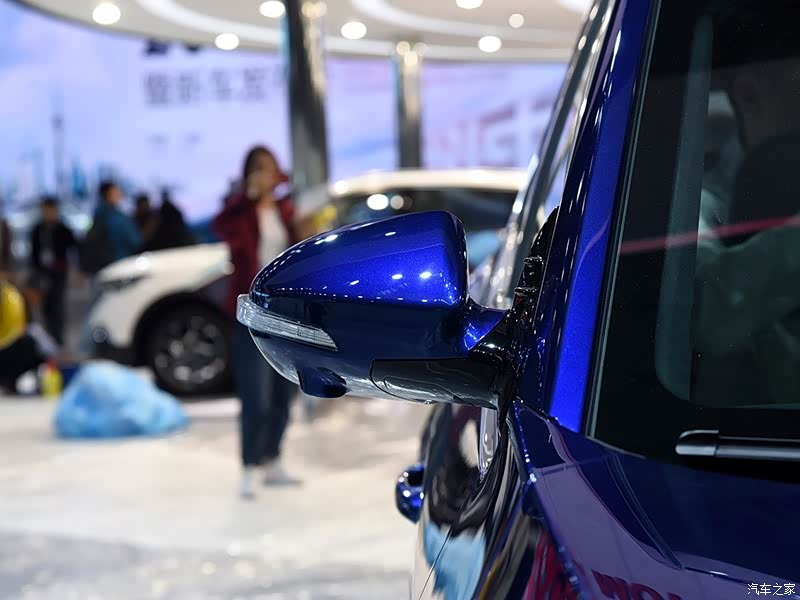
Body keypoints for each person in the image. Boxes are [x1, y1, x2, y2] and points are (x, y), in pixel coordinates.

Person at [213, 146, 298, 497]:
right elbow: (223, 227)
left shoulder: (285, 210)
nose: (266, 174)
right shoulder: (240, 212)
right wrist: (245, 198)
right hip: (252, 312)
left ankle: (272, 458)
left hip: (285, 314)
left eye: (270, 167)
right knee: (255, 395)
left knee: (283, 393)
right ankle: (249, 466)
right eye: (259, 168)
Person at [29, 196, 77, 345]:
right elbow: (34, 253)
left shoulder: (63, 229)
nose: (47, 213)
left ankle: (58, 338)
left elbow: (73, 248)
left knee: (57, 303)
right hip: (42, 273)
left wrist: (75, 270)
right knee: (45, 306)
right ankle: (48, 338)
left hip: (59, 272)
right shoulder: (37, 229)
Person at [93, 181, 141, 264]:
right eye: (116, 191)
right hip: (122, 261)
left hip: (103, 263)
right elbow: (135, 242)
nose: (120, 194)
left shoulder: (98, 214)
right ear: (108, 194)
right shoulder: (119, 218)